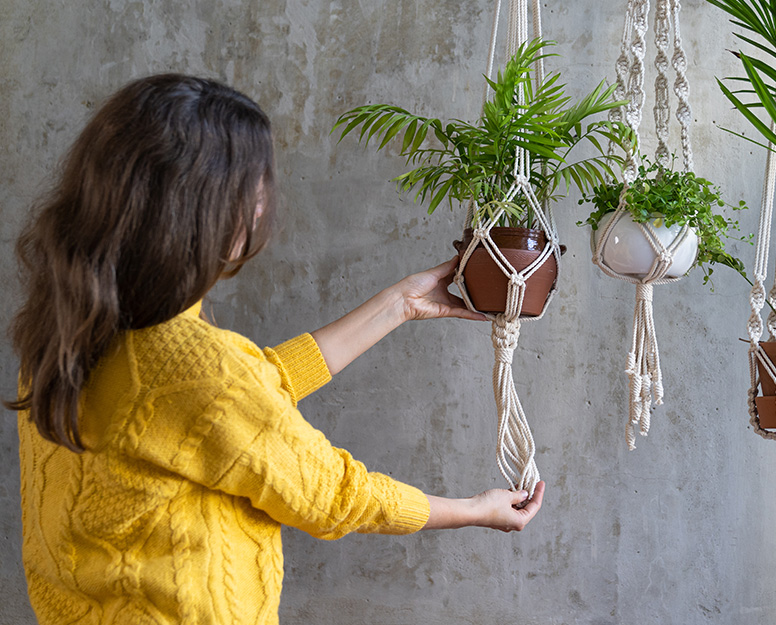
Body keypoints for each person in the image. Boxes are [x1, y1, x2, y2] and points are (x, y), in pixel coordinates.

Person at [6, 73, 544, 625]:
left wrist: (398, 305)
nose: (262, 207)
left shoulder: (70, 333)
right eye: (253, 187)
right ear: (201, 205)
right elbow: (330, 491)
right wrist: (476, 509)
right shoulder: (191, 366)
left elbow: (234, 401)